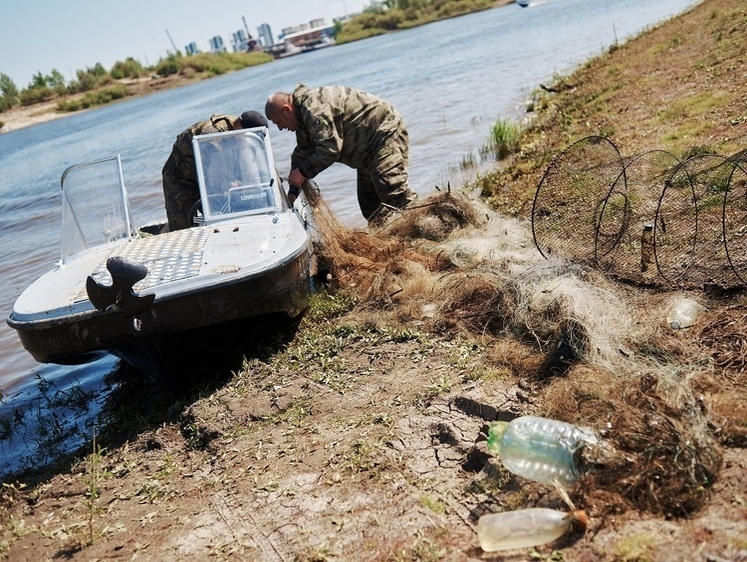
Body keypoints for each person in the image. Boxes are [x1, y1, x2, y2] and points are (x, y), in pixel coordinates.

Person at [264, 84, 417, 225]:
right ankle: (393, 239)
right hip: (365, 154)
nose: (280, 128)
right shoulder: (303, 120)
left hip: (384, 133)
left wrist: (303, 173)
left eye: (279, 122)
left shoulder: (313, 109)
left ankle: (420, 223)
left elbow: (329, 149)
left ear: (286, 110)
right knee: (370, 206)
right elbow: (303, 153)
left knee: (391, 187)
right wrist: (292, 193)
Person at [161, 110, 268, 230]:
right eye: (245, 138)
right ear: (240, 127)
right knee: (183, 225)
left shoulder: (238, 132)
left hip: (203, 171)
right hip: (181, 176)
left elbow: (252, 164)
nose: (245, 142)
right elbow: (212, 175)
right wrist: (228, 184)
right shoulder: (212, 137)